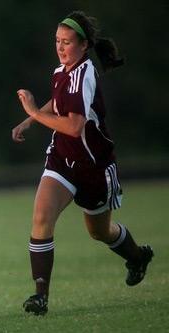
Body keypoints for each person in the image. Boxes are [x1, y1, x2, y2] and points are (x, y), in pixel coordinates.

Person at [12, 10, 154, 316]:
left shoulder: (85, 73)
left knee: (99, 232)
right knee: (41, 217)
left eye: (67, 42)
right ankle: (40, 296)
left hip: (93, 167)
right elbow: (59, 102)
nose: (60, 47)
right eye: (57, 41)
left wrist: (35, 113)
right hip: (62, 159)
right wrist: (29, 121)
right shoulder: (60, 71)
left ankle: (137, 256)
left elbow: (75, 126)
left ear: (84, 45)